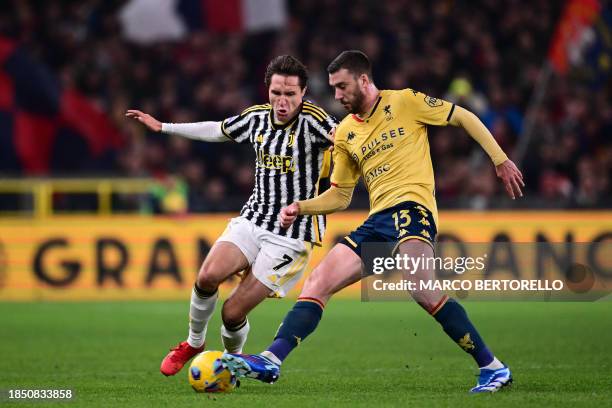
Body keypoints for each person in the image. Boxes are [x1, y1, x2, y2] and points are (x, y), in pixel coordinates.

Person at [220, 50, 524, 393]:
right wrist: (301, 207)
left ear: (364, 80)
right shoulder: (346, 132)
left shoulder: (406, 102)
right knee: (319, 280)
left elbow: (463, 117)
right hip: (378, 220)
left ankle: (493, 368)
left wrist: (500, 160)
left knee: (421, 286)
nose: (336, 96)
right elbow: (341, 195)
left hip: (412, 208)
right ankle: (271, 359)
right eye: (333, 88)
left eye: (342, 86)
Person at [126, 55, 337, 376]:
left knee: (232, 311)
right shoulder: (256, 118)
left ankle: (231, 362)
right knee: (207, 276)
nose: (282, 101)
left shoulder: (315, 123)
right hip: (253, 218)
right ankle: (194, 343)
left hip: (292, 235)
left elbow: (350, 141)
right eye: (276, 93)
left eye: (291, 94)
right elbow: (217, 129)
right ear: (268, 89)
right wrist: (164, 127)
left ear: (304, 92)